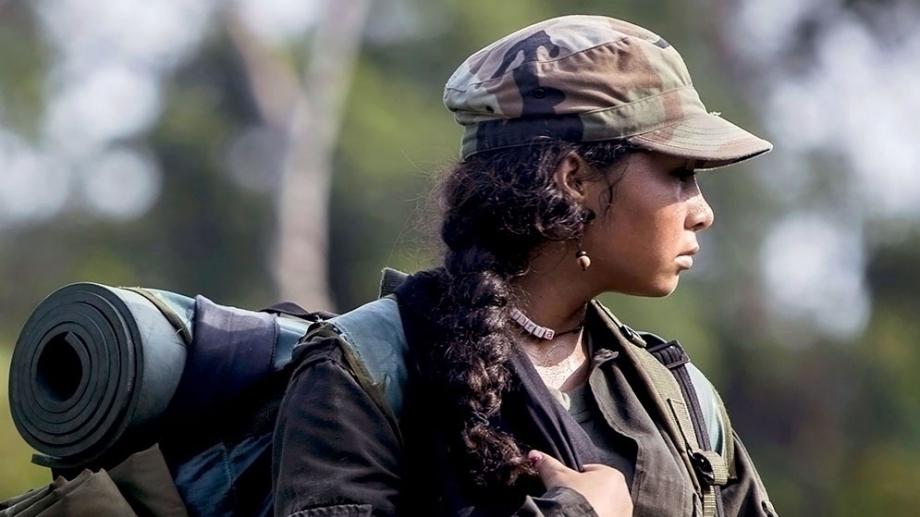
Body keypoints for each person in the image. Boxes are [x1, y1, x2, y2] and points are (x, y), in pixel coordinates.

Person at [272, 15, 778, 517]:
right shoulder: (367, 370)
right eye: (679, 173)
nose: (702, 212)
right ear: (575, 180)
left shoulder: (681, 400)